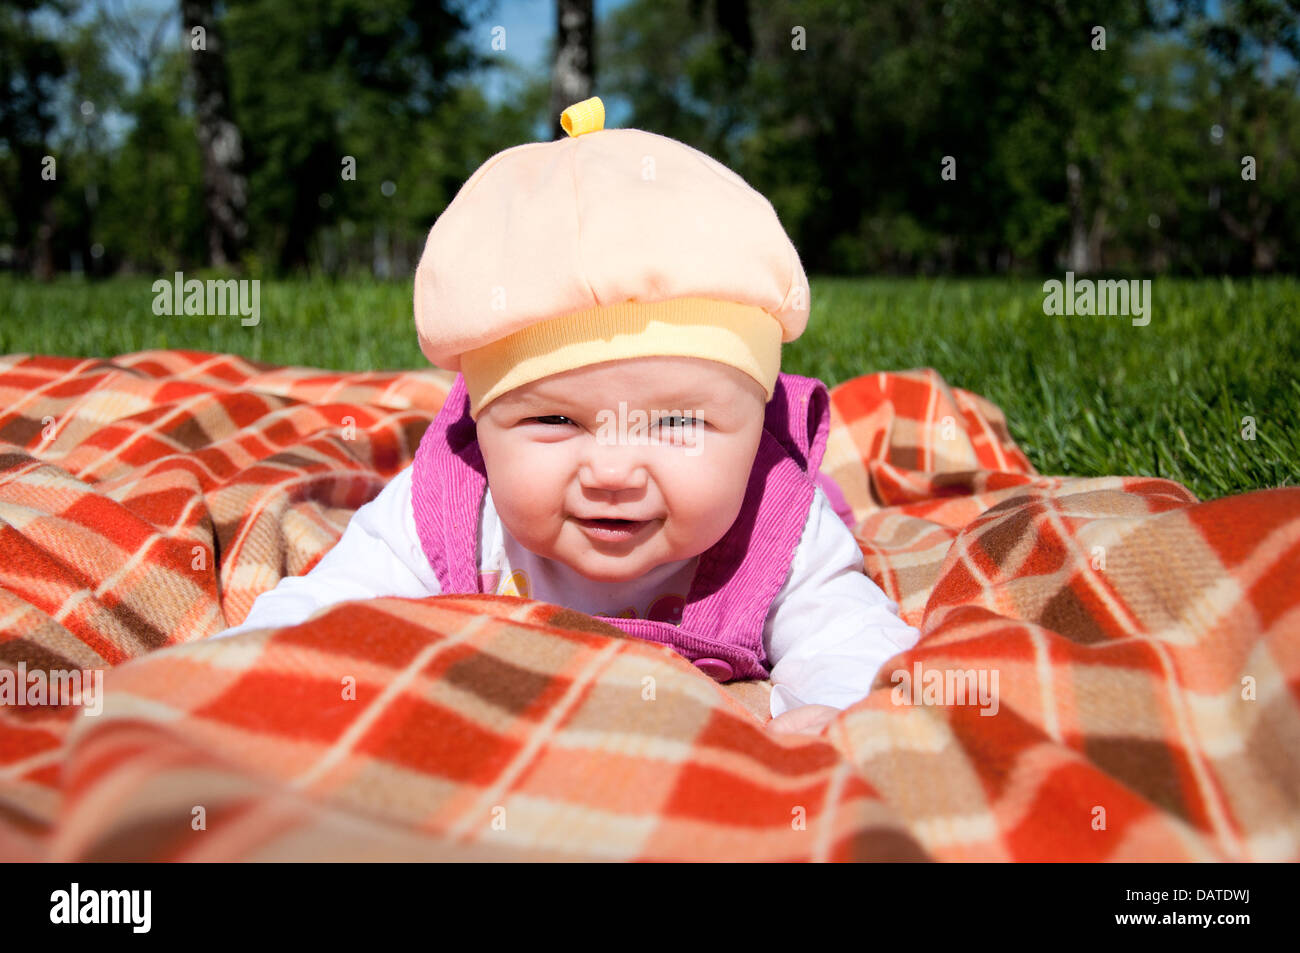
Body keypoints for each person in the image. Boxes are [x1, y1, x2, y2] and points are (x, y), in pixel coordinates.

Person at [213, 97, 921, 736]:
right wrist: (226, 684)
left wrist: (832, 717)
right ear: (481, 423)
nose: (612, 470)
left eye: (677, 423)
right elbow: (324, 609)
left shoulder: (779, 526)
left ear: (758, 413)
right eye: (555, 420)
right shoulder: (451, 511)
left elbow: (852, 643)